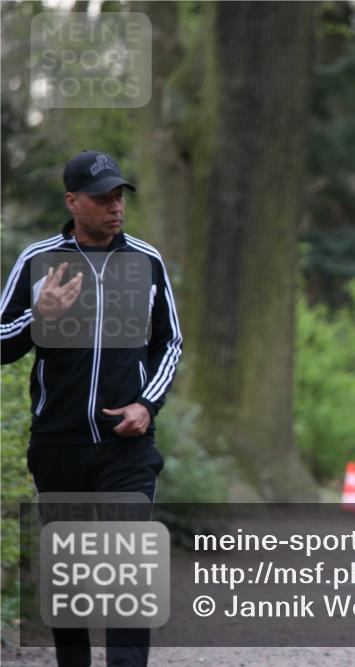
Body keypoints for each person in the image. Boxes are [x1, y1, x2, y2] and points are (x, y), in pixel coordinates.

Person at [1, 150, 182, 667]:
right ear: (72, 201)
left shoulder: (146, 261)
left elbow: (169, 343)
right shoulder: (38, 262)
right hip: (58, 446)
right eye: (102, 198)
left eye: (119, 196)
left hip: (126, 446)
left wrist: (147, 405)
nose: (114, 207)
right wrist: (38, 317)